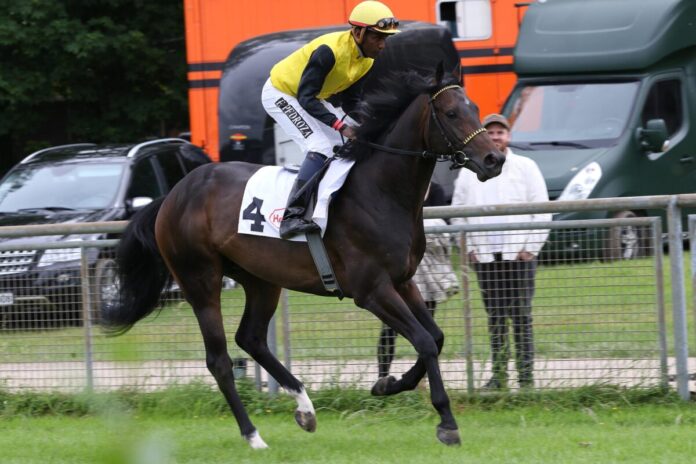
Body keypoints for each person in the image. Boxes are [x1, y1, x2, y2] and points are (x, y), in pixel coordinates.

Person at [261, 1, 400, 239]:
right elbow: (305, 98)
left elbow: (350, 101)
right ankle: (291, 216)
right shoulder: (329, 51)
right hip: (281, 93)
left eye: (385, 38)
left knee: (345, 143)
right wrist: (341, 126)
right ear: (358, 32)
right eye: (377, 37)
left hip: (311, 97)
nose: (382, 45)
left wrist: (370, 124)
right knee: (320, 146)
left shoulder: (367, 60)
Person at [451, 113, 550, 390]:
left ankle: (526, 378)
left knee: (521, 316)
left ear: (509, 136)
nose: (495, 137)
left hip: (518, 256)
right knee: (495, 318)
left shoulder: (526, 167)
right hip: (485, 257)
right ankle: (498, 377)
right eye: (490, 132)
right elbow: (457, 212)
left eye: (500, 132)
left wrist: (530, 247)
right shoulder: (469, 170)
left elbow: (542, 209)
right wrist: (468, 247)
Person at [377, 182, 459, 378]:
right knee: (390, 328)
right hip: (400, 272)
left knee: (427, 328)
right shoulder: (400, 189)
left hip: (427, 271)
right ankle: (382, 375)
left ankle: (422, 377)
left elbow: (442, 225)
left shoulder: (436, 190)